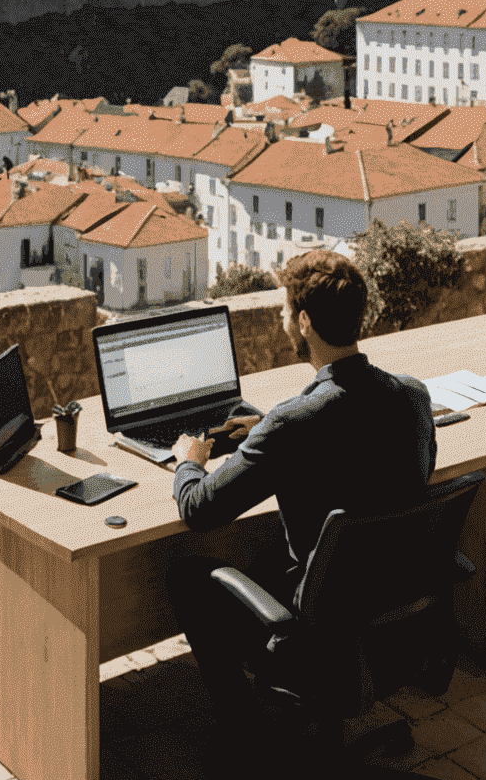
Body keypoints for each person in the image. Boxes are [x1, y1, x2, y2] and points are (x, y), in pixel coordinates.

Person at [166, 250, 436, 731]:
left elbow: (199, 509)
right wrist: (267, 426)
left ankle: (244, 732)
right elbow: (401, 467)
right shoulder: (413, 396)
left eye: (286, 311)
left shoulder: (292, 425)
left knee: (188, 576)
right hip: (398, 615)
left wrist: (190, 462)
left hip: (323, 631)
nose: (282, 319)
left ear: (305, 321)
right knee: (274, 550)